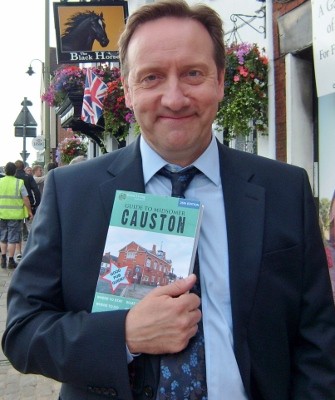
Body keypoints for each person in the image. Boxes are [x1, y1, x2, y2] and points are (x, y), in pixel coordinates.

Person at [2, 1, 335, 399]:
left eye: (193, 74)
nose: (174, 98)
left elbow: (317, 342)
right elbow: (23, 332)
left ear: (221, 82)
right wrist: (124, 334)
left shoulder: (285, 190)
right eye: (152, 77)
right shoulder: (71, 193)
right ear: (127, 90)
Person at [0, 162, 33, 269]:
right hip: (15, 215)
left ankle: (3, 259)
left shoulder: (0, 182)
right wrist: (29, 211)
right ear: (15, 172)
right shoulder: (19, 183)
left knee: (3, 237)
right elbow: (25, 199)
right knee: (12, 239)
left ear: (5, 171)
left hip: (1, 214)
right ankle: (11, 261)